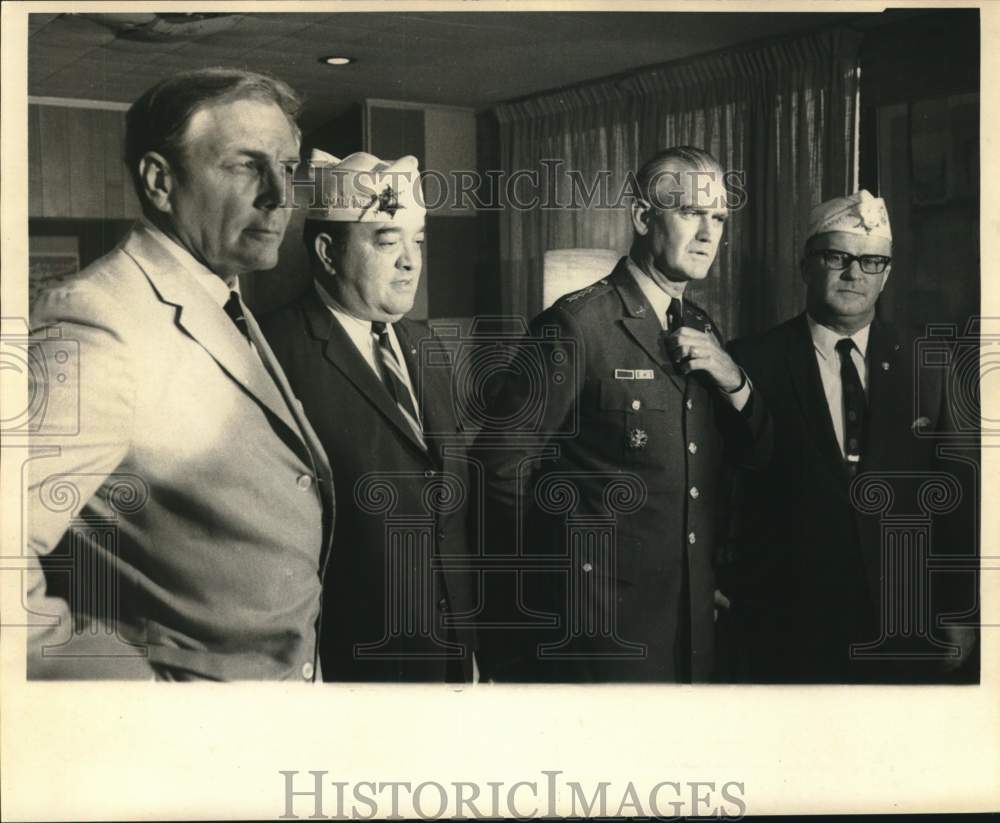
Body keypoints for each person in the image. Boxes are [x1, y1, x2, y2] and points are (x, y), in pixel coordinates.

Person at [25, 68, 334, 681]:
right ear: (161, 182)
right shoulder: (100, 317)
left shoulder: (223, 298)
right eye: (246, 165)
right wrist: (119, 694)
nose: (280, 195)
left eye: (288, 166)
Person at [476, 146, 771, 682]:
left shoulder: (704, 328)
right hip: (596, 627)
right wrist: (543, 599)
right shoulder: (578, 325)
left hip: (688, 618)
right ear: (642, 218)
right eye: (690, 213)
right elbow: (499, 470)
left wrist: (735, 379)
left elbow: (742, 461)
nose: (709, 234)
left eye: (720, 218)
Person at [719, 190, 978, 683]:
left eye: (871, 261)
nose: (853, 273)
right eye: (836, 257)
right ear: (805, 266)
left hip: (907, 619)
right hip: (787, 617)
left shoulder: (931, 363)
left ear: (887, 274)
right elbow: (723, 481)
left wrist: (962, 611)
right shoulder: (752, 360)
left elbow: (960, 499)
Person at [260, 150, 477, 682]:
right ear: (328, 252)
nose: (411, 261)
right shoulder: (270, 353)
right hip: (349, 662)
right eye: (386, 242)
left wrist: (472, 650)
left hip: (449, 652)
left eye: (418, 243)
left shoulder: (426, 346)